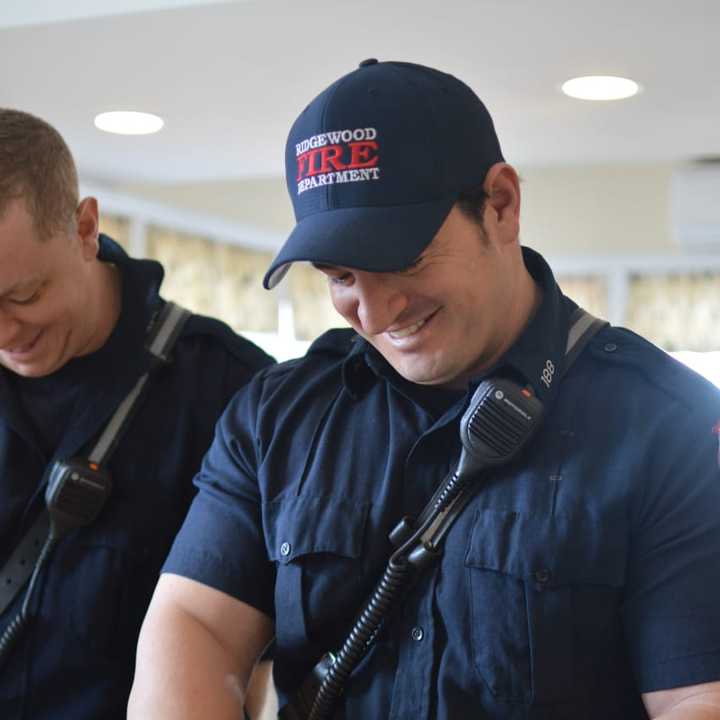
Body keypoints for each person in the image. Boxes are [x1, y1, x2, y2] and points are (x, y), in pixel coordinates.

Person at [129, 60, 720, 719]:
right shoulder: (275, 414)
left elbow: (696, 698)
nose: (376, 315)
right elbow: (195, 623)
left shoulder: (671, 426)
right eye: (342, 275)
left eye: (403, 260)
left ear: (500, 206)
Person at [0, 108, 275, 719]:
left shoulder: (234, 393)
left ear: (85, 227)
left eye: (23, 296)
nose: (2, 332)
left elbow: (249, 662)